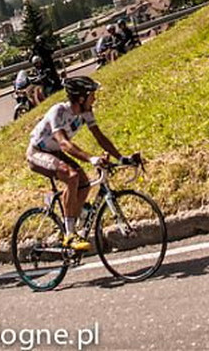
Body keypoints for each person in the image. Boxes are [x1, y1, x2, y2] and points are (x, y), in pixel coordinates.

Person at [25, 76, 131, 251]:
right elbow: (64, 143)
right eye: (92, 95)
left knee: (85, 183)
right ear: (81, 98)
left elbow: (100, 137)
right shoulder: (58, 111)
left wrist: (121, 158)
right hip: (37, 152)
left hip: (54, 152)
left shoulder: (86, 112)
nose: (95, 99)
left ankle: (75, 215)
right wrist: (91, 158)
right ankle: (69, 234)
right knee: (71, 176)